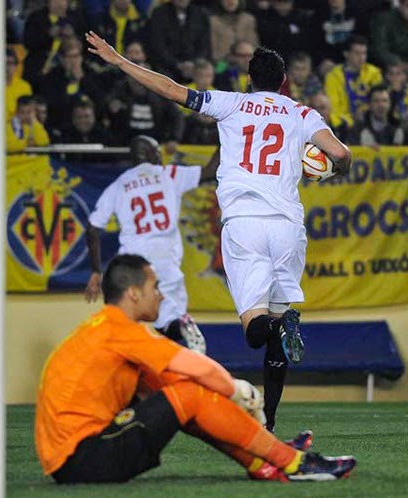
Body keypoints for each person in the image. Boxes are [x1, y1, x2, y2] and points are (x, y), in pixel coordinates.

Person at [85, 31, 352, 431]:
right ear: (283, 82)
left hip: (244, 223)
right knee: (277, 327)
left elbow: (174, 91)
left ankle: (278, 331)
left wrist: (121, 61)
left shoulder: (233, 103)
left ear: (250, 79)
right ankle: (271, 421)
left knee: (256, 332)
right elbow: (341, 154)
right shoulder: (302, 114)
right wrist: (333, 170)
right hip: (288, 228)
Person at [35, 254, 357, 484]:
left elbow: (183, 391)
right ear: (133, 294)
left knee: (183, 396)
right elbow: (196, 369)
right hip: (83, 459)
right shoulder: (120, 329)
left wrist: (246, 428)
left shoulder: (105, 329)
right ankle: (293, 462)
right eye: (154, 287)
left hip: (79, 457)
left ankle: (264, 460)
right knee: (188, 394)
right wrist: (237, 390)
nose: (161, 295)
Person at [85, 136, 215, 353]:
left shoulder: (120, 185)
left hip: (133, 265)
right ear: (153, 154)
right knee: (168, 322)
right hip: (166, 260)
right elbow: (212, 169)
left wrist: (96, 271)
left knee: (129, 321)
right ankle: (183, 327)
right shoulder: (170, 174)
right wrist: (223, 128)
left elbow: (92, 227)